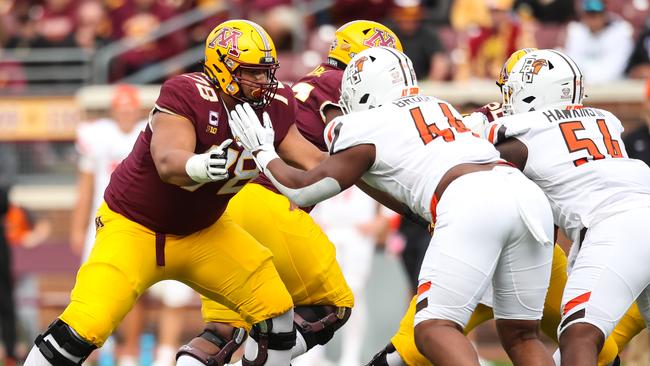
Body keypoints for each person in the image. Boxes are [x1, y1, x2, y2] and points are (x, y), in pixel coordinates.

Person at [229, 46, 555, 365]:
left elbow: (304, 190)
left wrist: (263, 150)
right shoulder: (439, 106)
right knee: (522, 336)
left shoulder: (366, 125)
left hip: (471, 200)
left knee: (433, 330)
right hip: (526, 197)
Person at [24, 19, 302, 366]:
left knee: (277, 312)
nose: (263, 82)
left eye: (266, 72)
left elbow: (313, 162)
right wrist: (203, 165)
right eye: (252, 73)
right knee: (84, 326)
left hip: (204, 232)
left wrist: (363, 152)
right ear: (223, 67)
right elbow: (169, 162)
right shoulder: (188, 92)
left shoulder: (274, 106)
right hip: (136, 228)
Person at [176, 20, 404, 366]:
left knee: (223, 327)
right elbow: (352, 152)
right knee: (331, 305)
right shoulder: (339, 85)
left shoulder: (309, 82)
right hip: (269, 203)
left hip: (229, 205)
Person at [481, 48, 650, 366]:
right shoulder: (605, 120)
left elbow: (474, 154)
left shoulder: (523, 132)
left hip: (617, 225)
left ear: (532, 93)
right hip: (640, 206)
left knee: (578, 335)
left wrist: (477, 119)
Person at [296, 187, 389, 366]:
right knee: (318, 293)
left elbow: (386, 204)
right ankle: (313, 351)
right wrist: (311, 221)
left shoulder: (367, 164)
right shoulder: (322, 161)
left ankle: (351, 355)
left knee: (354, 294)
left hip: (358, 235)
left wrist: (378, 222)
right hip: (326, 232)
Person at [564, 0, 633, 84]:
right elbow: (573, 62)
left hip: (613, 85)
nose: (593, 20)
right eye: (589, 15)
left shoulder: (620, 32)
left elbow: (615, 67)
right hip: (583, 84)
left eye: (596, 15)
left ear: (604, 15)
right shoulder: (576, 32)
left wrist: (588, 77)